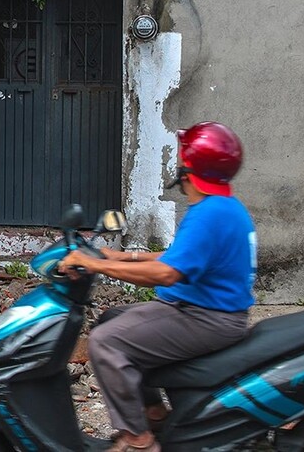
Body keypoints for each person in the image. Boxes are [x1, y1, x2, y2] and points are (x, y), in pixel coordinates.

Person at [59, 121, 257, 452]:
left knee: (106, 342)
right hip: (202, 309)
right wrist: (119, 257)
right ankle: (153, 413)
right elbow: (178, 256)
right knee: (110, 319)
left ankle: (139, 440)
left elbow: (167, 273)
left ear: (189, 168)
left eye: (182, 156)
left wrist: (96, 264)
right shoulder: (222, 208)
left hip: (207, 317)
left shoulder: (210, 213)